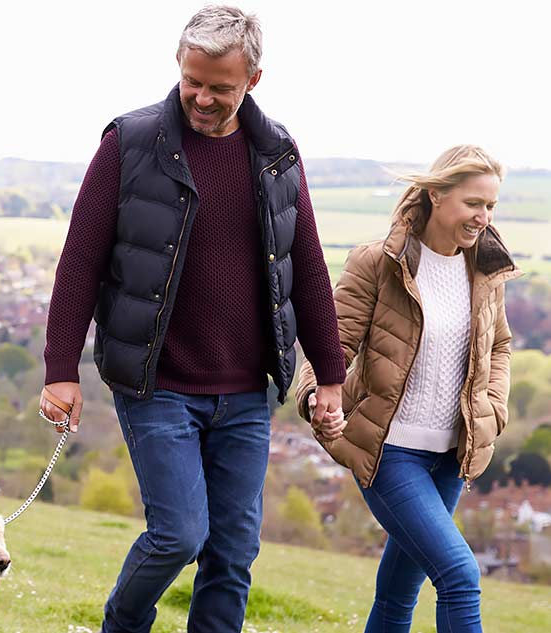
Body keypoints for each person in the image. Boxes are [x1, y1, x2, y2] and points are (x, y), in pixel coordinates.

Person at [36, 5, 345, 631]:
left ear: (253, 80)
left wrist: (331, 376)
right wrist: (59, 370)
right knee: (178, 534)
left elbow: (306, 264)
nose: (201, 98)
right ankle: (122, 623)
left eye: (219, 87)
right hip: (157, 383)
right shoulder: (130, 142)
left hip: (245, 392)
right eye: (191, 81)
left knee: (232, 554)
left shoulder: (278, 151)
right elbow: (79, 264)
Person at [293, 144, 521, 633]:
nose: (483, 217)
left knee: (399, 593)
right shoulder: (379, 262)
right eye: (473, 203)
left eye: (491, 206)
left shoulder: (485, 270)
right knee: (459, 575)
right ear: (438, 195)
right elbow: (331, 343)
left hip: (451, 457)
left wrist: (492, 410)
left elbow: (499, 346)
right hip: (389, 452)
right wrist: (317, 397)